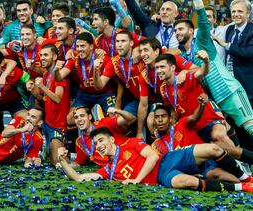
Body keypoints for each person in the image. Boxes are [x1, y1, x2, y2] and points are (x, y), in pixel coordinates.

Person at [57, 127, 253, 193]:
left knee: (214, 148)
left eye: (101, 140)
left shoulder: (131, 143)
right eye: (96, 143)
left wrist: (137, 179)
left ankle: (245, 178)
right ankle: (243, 187)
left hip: (166, 161)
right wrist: (64, 162)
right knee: (186, 182)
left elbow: (152, 156)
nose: (99, 145)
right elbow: (80, 178)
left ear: (111, 139)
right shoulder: (108, 170)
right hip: (163, 177)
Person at [174, 0, 253, 137]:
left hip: (230, 93)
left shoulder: (201, 42)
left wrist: (198, 3)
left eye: (181, 29)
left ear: (191, 30)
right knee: (225, 135)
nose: (177, 33)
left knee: (250, 128)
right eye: (175, 30)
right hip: (215, 100)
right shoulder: (185, 58)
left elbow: (204, 23)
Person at [54, 32, 115, 120]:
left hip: (104, 94)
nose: (79, 49)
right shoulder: (74, 58)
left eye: (82, 46)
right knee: (70, 119)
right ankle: (92, 115)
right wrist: (56, 70)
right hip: (84, 95)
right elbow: (59, 77)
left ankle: (94, 115)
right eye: (77, 46)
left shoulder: (104, 59)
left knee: (114, 117)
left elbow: (117, 83)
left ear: (91, 46)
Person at [27, 44, 70, 164]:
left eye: (46, 55)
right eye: (41, 55)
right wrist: (33, 90)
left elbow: (57, 99)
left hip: (58, 125)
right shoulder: (46, 74)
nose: (42, 58)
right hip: (47, 123)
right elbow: (43, 99)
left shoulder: (60, 75)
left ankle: (65, 151)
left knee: (57, 162)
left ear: (55, 56)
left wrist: (41, 87)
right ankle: (46, 149)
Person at [94, 31, 141, 124]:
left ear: (131, 43)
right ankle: (101, 122)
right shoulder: (114, 63)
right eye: (117, 41)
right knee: (120, 121)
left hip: (156, 98)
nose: (119, 44)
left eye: (123, 41)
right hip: (137, 100)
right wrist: (95, 71)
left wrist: (138, 49)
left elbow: (174, 51)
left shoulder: (143, 55)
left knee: (152, 120)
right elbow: (99, 85)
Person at [69, 106, 134, 167]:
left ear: (89, 117)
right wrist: (63, 161)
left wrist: (117, 111)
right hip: (114, 169)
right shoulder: (80, 142)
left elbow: (130, 119)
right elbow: (78, 163)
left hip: (130, 157)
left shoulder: (104, 123)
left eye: (82, 116)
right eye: (76, 117)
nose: (79, 119)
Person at [223, 0, 253, 107]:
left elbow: (249, 52)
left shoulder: (252, 30)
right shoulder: (230, 29)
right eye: (233, 11)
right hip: (229, 82)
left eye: (240, 11)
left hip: (247, 85)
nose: (236, 14)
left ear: (248, 14)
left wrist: (228, 46)